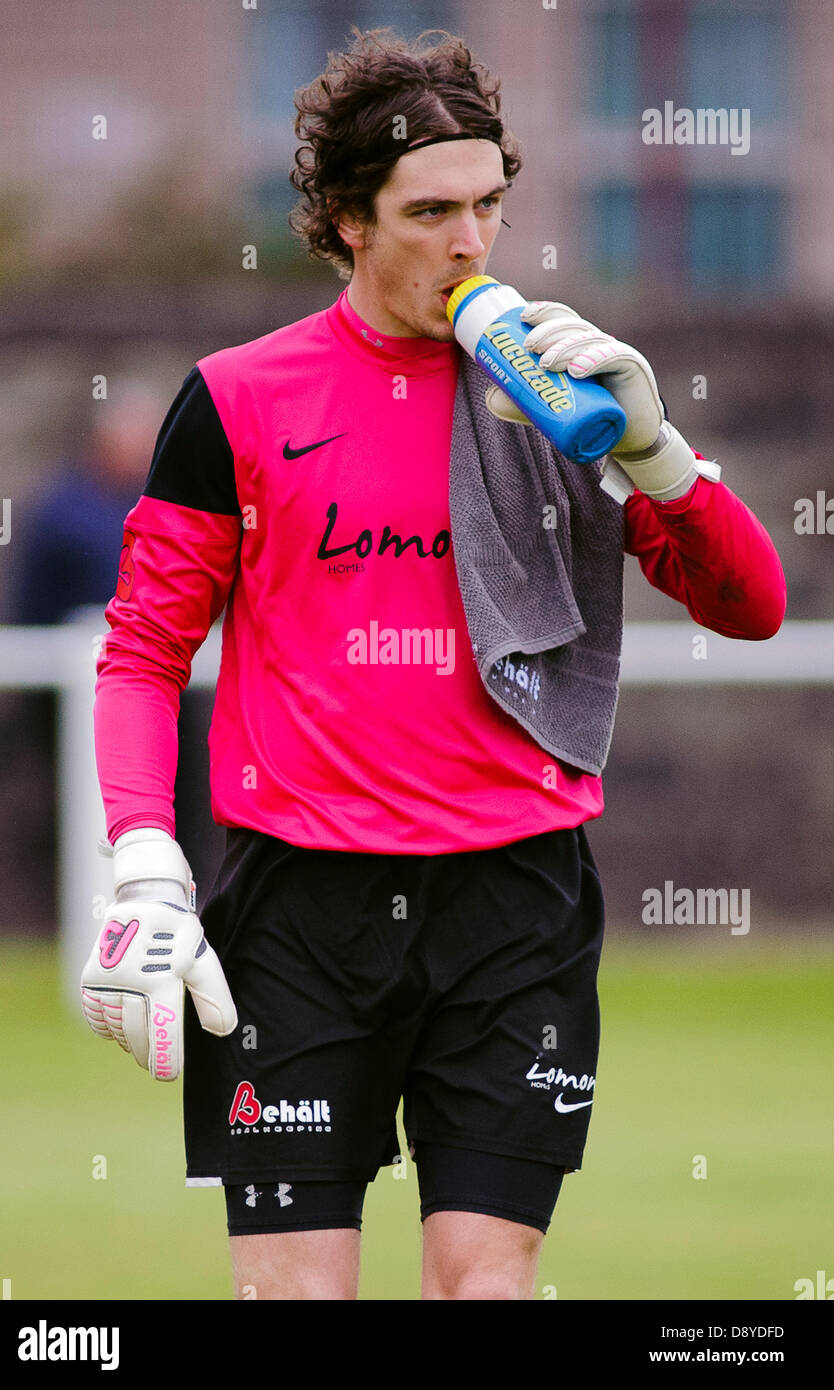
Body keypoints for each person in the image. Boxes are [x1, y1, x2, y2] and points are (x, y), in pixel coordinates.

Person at [80, 27, 787, 1301]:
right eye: (429, 212)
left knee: (486, 1288)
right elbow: (141, 653)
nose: (469, 243)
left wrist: (656, 452)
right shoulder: (237, 397)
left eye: (488, 207)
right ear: (348, 221)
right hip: (297, 912)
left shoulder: (558, 390)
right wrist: (144, 852)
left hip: (513, 906)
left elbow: (752, 605)